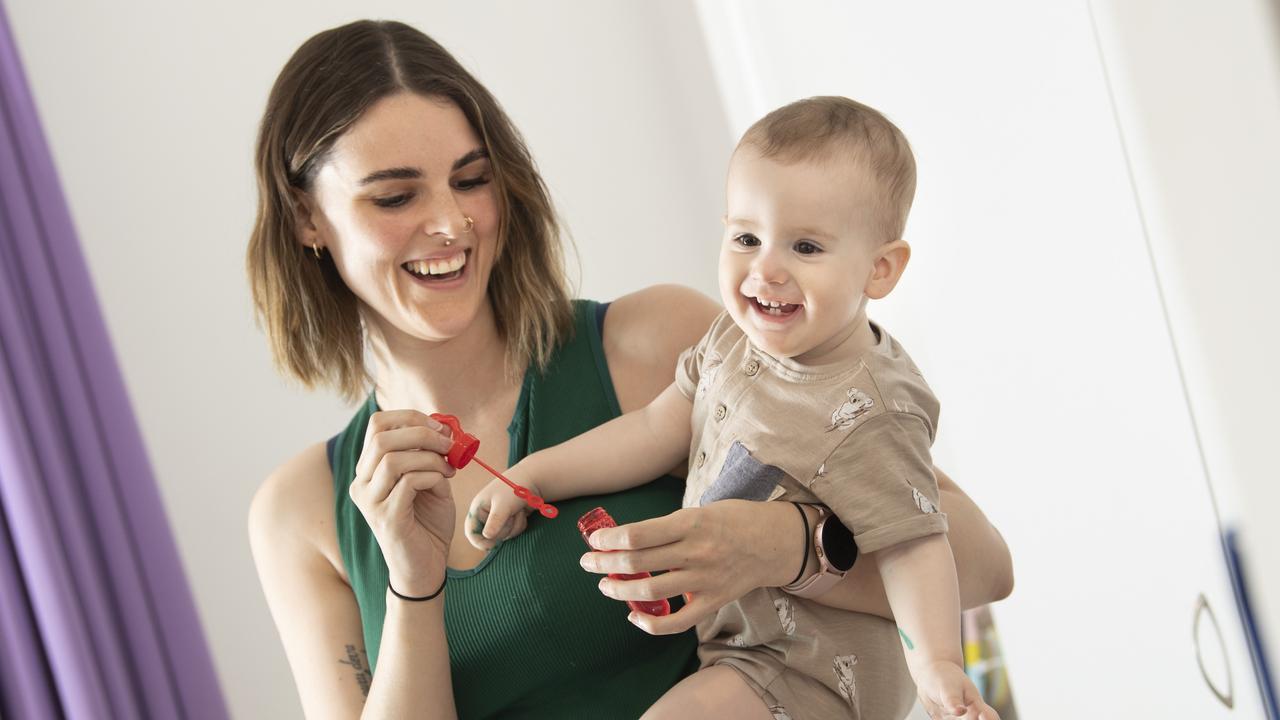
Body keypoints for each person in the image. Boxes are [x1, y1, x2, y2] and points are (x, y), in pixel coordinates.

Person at [246, 19, 1013, 720]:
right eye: (394, 195)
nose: (450, 222)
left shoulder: (654, 344)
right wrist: (413, 585)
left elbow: (980, 560)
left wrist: (784, 547)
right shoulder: (302, 514)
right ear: (307, 216)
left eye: (472, 180)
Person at [469, 96, 999, 720]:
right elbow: (654, 428)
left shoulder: (871, 406)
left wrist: (936, 662)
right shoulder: (729, 341)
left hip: (812, 672)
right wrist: (534, 474)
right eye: (746, 237)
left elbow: (914, 543)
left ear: (879, 269)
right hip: (741, 652)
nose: (765, 268)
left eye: (805, 247)